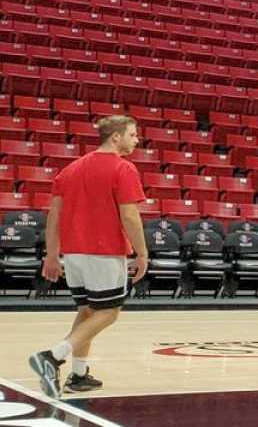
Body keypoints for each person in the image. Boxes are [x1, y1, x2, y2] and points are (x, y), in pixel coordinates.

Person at [27, 116, 148, 398]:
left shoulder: (71, 169)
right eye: (132, 134)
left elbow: (54, 215)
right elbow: (130, 216)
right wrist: (142, 253)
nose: (136, 139)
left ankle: (79, 375)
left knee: (87, 312)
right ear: (115, 137)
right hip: (103, 251)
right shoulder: (123, 168)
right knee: (109, 313)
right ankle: (52, 356)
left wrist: (52, 254)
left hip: (74, 254)